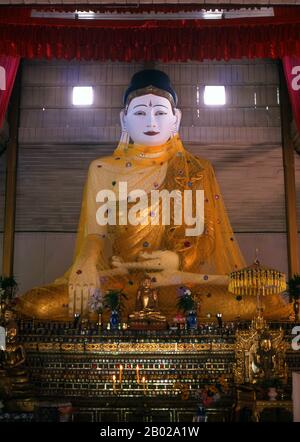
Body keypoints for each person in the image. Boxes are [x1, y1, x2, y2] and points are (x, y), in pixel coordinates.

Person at [17, 70, 292, 322]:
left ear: (176, 119)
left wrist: (178, 262)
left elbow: (204, 237)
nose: (150, 121)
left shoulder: (194, 169)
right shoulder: (102, 169)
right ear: (123, 118)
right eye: (139, 113)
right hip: (122, 281)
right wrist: (86, 265)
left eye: (160, 112)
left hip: (177, 282)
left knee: (264, 303)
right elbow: (94, 235)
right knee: (37, 305)